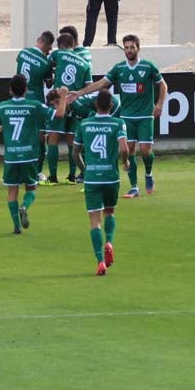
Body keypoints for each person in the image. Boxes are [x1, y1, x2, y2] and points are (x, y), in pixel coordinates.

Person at [66, 33, 167, 197]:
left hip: (145, 115)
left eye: (132, 47)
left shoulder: (148, 67)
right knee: (130, 150)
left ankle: (148, 173)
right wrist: (79, 93)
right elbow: (101, 84)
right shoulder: (119, 69)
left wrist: (160, 104)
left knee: (146, 150)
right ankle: (134, 186)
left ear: (138, 48)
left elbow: (163, 85)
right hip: (127, 116)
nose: (129, 50)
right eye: (126, 47)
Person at [0, 74, 59, 234]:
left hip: (11, 157)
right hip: (29, 155)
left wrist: (1, 127)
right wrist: (62, 96)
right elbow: (57, 115)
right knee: (31, 189)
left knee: (12, 191)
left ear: (10, 91)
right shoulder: (34, 105)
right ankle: (24, 206)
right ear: (26, 90)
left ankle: (16, 225)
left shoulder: (3, 106)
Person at [72, 89, 128, 276]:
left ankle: (100, 262)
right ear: (111, 105)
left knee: (94, 222)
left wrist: (85, 169)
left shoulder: (84, 124)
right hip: (111, 177)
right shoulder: (118, 123)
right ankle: (109, 241)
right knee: (110, 211)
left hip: (93, 178)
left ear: (96, 105)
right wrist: (125, 161)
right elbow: (124, 148)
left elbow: (75, 152)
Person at [47, 29, 94, 184]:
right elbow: (89, 87)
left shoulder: (58, 54)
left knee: (52, 138)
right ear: (73, 45)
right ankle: (72, 176)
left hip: (58, 102)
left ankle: (53, 177)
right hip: (74, 104)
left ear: (60, 46)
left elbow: (48, 65)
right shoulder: (85, 64)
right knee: (72, 140)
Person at [15, 30, 56, 181]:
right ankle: (37, 172)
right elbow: (49, 83)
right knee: (40, 136)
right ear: (46, 44)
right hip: (36, 101)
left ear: (38, 39)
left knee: (20, 136)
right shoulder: (45, 63)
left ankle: (19, 171)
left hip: (19, 99)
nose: (49, 51)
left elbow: (18, 62)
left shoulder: (23, 52)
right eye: (49, 48)